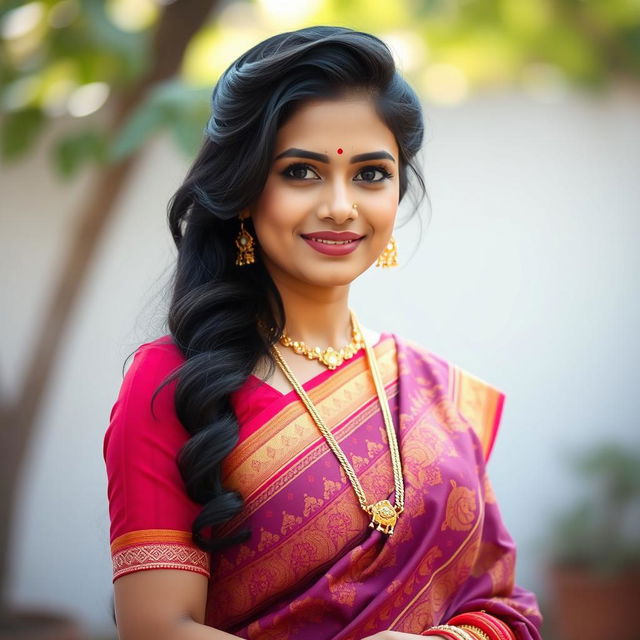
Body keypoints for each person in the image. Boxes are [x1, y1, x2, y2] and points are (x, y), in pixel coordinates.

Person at [103, 25, 542, 640]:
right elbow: (157, 629)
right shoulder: (176, 385)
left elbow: (506, 608)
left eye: (370, 175)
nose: (341, 205)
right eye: (302, 172)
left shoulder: (438, 393)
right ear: (246, 192)